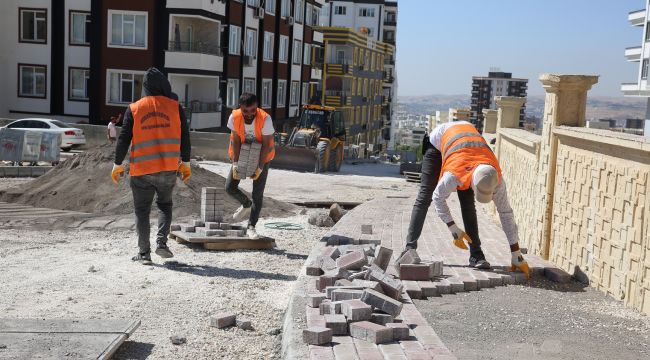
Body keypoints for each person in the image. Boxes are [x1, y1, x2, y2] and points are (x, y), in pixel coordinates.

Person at [401, 120, 529, 278]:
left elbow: (505, 213)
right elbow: (438, 198)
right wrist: (453, 229)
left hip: (469, 150)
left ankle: (476, 254)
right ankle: (409, 248)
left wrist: (516, 253)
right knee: (425, 195)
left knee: (468, 204)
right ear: (473, 183)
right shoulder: (454, 175)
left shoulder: (495, 178)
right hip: (438, 143)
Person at [111, 67, 192, 265]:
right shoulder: (175, 107)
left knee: (142, 210)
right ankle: (161, 244)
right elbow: (185, 136)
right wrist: (186, 162)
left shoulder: (135, 108)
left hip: (142, 170)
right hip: (167, 168)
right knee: (165, 205)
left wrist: (117, 163)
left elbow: (123, 138)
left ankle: (144, 253)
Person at [225, 93, 275, 239]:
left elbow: (266, 145)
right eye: (245, 111)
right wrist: (235, 163)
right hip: (242, 154)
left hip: (262, 157)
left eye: (252, 110)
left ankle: (251, 227)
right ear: (240, 108)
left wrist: (259, 167)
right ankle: (246, 204)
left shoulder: (265, 119)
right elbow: (235, 140)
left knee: (257, 195)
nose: (249, 114)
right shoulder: (234, 117)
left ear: (256, 107)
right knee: (229, 187)